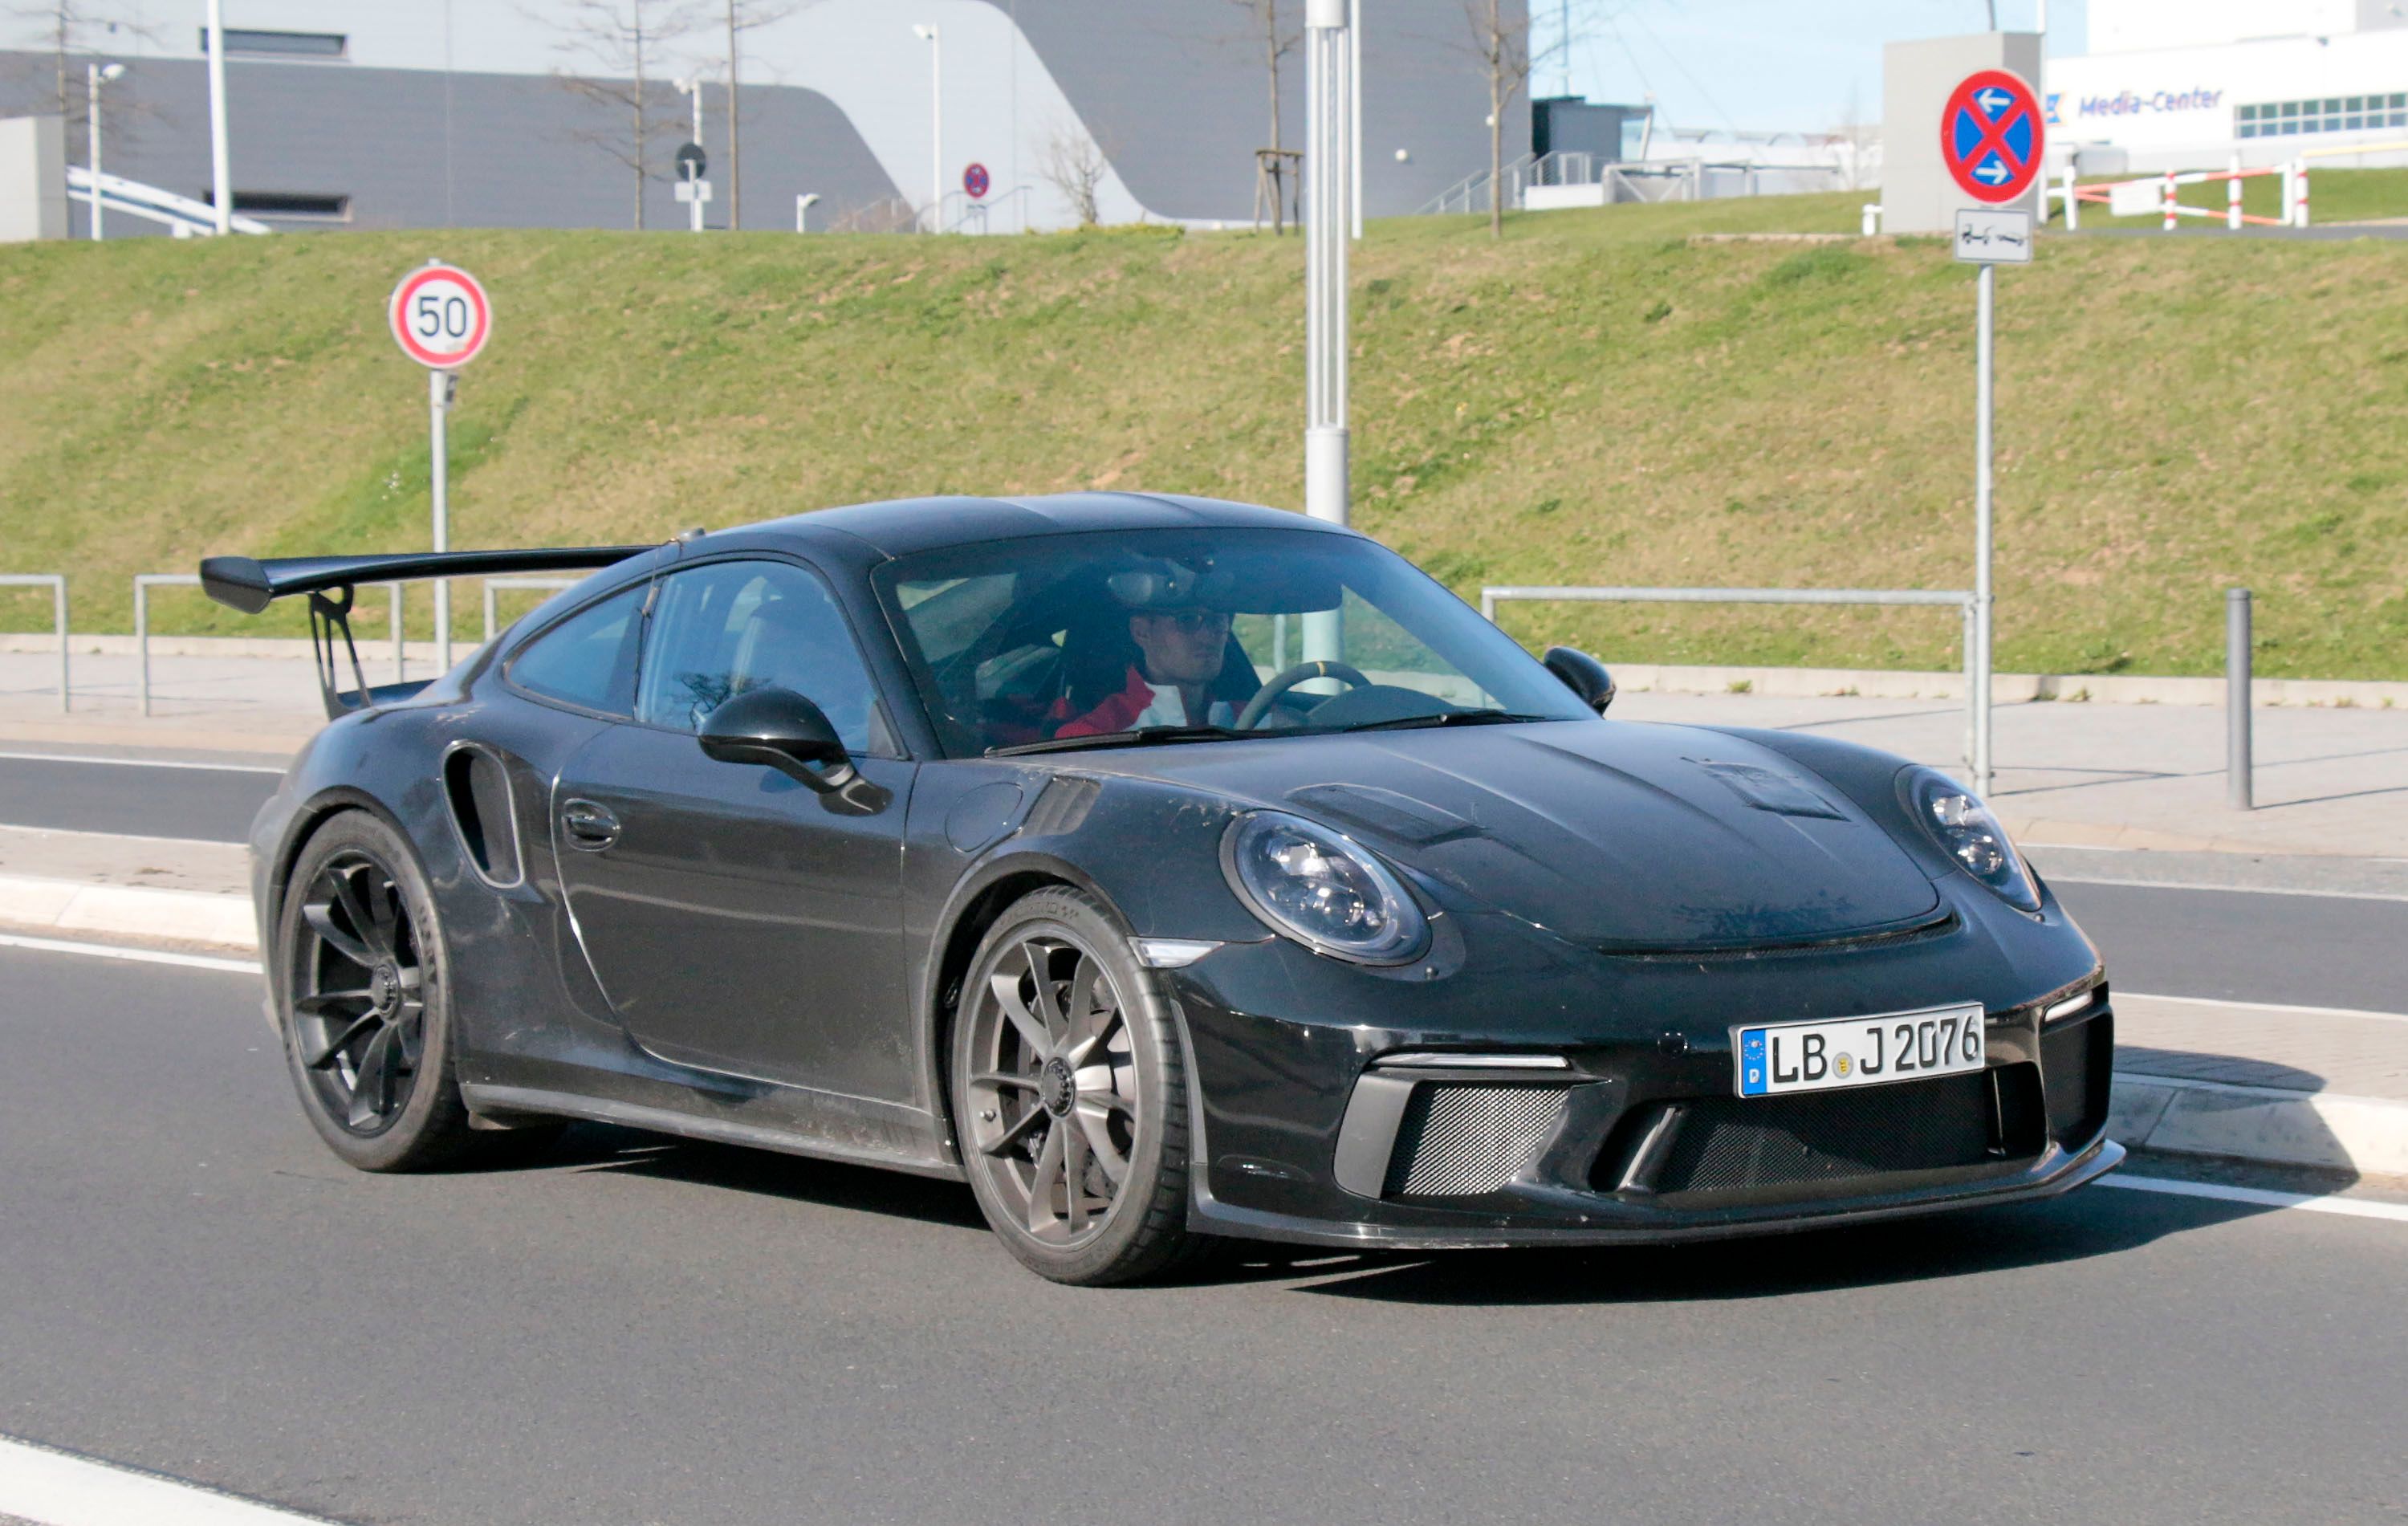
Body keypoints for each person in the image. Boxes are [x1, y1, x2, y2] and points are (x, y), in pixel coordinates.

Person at [1053, 604, 1241, 738]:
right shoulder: (1092, 737)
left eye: (1217, 621)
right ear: (1141, 632)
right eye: (1187, 619)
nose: (1208, 637)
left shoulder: (1262, 719)